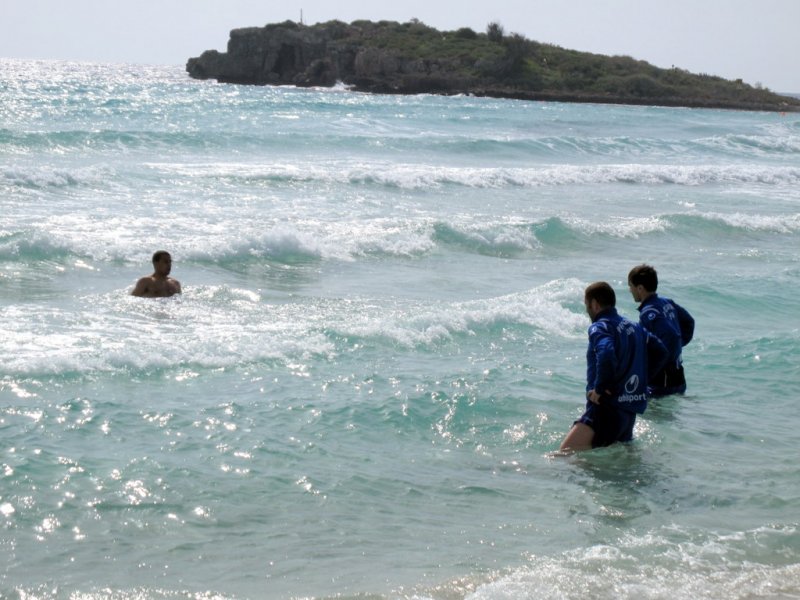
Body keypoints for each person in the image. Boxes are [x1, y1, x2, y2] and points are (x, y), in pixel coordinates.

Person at [559, 282, 668, 453]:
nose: (587, 309)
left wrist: (601, 388)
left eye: (586, 305)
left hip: (605, 408)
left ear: (594, 304)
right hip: (628, 414)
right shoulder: (636, 327)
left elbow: (606, 353)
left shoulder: (600, 326)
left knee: (564, 454)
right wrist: (641, 381)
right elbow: (661, 351)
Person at [628, 264, 695, 397]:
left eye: (631, 286)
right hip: (677, 374)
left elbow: (671, 337)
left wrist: (656, 366)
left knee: (652, 416)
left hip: (662, 380)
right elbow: (689, 322)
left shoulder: (648, 313)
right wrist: (677, 349)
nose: (630, 290)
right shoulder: (666, 303)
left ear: (640, 288)